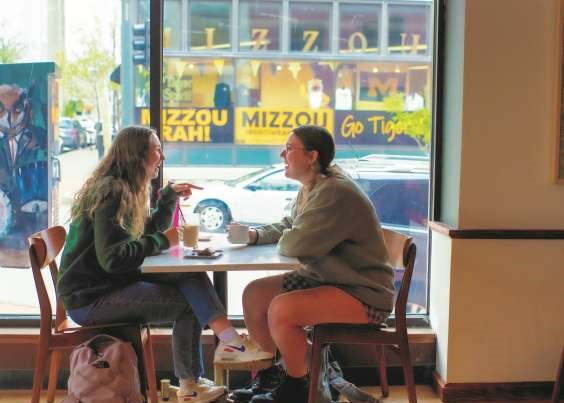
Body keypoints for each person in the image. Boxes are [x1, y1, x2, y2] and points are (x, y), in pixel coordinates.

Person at [57, 126, 272, 403]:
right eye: (157, 149)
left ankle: (224, 344)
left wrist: (168, 197)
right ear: (137, 155)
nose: (162, 156)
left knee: (190, 278)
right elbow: (112, 259)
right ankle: (194, 379)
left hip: (107, 285)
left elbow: (143, 232)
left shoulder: (124, 188)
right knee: (187, 302)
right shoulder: (113, 192)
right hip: (90, 299)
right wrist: (162, 240)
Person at [233, 125, 395, 403]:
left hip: (363, 292)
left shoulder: (334, 192)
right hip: (328, 279)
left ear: (312, 156)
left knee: (282, 310)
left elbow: (295, 243)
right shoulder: (313, 185)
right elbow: (290, 227)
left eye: (289, 148)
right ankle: (275, 376)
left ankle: (296, 389)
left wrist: (288, 235)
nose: (282, 153)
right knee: (255, 295)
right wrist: (255, 235)